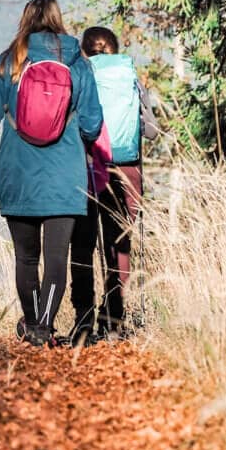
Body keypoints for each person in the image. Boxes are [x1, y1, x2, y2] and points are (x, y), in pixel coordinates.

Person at [0, 0, 102, 347]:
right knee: (56, 260)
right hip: (65, 177)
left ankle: (33, 325)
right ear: (58, 20)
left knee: (26, 257)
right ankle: (44, 326)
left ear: (25, 21)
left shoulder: (10, 62)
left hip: (17, 174)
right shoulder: (79, 64)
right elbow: (93, 126)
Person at [69, 26, 157, 344]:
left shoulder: (78, 75)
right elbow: (151, 131)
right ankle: (114, 320)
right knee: (118, 245)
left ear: (84, 50)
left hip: (89, 166)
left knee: (83, 241)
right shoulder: (130, 77)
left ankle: (83, 319)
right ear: (116, 49)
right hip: (127, 170)